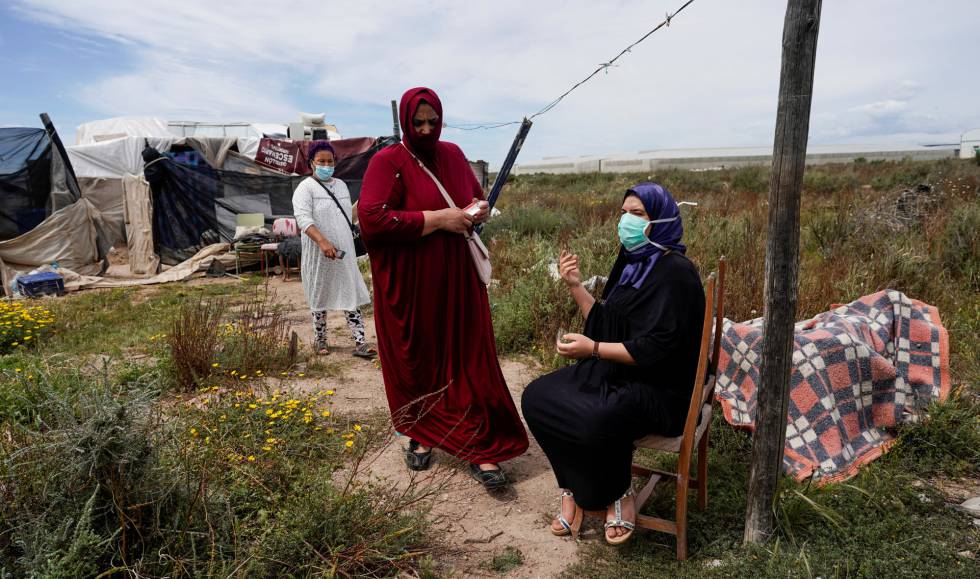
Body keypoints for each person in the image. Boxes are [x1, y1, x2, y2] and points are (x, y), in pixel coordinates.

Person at [357, 87, 528, 489]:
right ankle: (418, 432)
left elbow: (473, 197)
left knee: (470, 359)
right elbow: (372, 219)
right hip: (412, 287)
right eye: (417, 123)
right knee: (419, 359)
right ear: (405, 122)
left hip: (458, 280)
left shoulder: (451, 154)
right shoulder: (388, 161)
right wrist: (437, 220)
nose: (426, 129)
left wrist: (476, 209)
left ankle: (482, 447)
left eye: (433, 121)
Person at [521, 183, 705, 545]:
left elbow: (657, 349)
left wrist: (593, 350)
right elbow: (609, 324)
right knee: (537, 397)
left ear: (662, 221)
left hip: (663, 389)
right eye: (624, 213)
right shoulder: (633, 262)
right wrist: (575, 285)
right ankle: (573, 486)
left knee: (596, 416)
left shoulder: (676, 273)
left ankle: (618, 491)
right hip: (623, 373)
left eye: (638, 214)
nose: (626, 221)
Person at [291, 141, 376, 359]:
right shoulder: (305, 188)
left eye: (330, 161)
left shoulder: (341, 185)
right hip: (318, 254)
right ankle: (320, 340)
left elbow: (348, 216)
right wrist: (322, 242)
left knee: (350, 295)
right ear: (312, 163)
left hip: (343, 252)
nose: (327, 165)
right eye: (321, 162)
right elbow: (303, 219)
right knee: (319, 295)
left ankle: (360, 342)